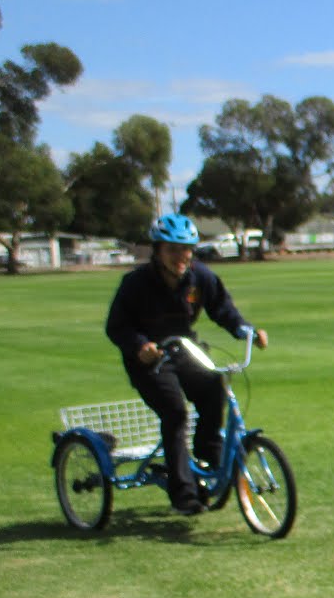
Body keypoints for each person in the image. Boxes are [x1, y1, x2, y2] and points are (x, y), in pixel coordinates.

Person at [104, 213, 268, 516]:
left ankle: (207, 465)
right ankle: (183, 492)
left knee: (213, 394)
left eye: (187, 249)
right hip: (148, 360)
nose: (182, 256)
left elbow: (223, 310)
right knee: (175, 413)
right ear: (158, 250)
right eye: (173, 249)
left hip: (187, 351)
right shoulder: (136, 283)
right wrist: (140, 345)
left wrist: (246, 331)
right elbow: (116, 326)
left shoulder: (200, 277)